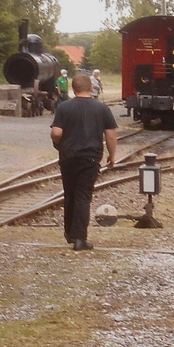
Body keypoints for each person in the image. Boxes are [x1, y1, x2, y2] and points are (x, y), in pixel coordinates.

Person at [50, 72, 118, 250]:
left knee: (70, 193)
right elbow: (110, 136)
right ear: (91, 88)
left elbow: (56, 133)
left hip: (68, 156)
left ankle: (69, 233)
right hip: (91, 157)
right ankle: (80, 238)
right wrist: (112, 155)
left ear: (73, 89)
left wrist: (59, 144)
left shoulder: (64, 107)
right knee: (82, 196)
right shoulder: (101, 108)